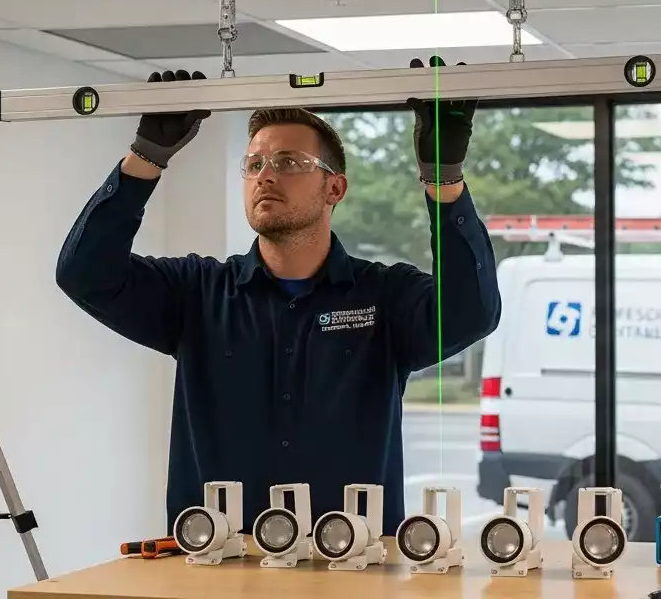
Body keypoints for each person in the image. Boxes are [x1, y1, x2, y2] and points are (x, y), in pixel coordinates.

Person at [55, 69, 502, 538]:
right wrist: (147, 157)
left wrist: (443, 178)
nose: (265, 176)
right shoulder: (196, 293)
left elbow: (472, 313)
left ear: (335, 189)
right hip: (216, 570)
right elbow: (84, 274)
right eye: (254, 165)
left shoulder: (383, 296)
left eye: (289, 163)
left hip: (353, 569)